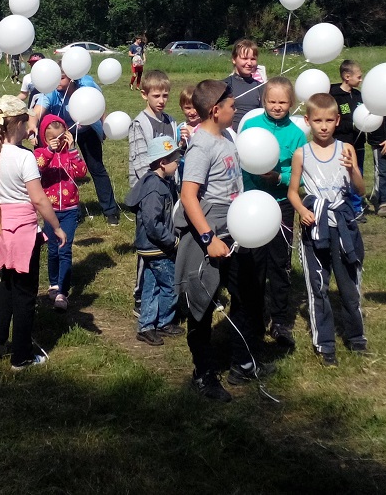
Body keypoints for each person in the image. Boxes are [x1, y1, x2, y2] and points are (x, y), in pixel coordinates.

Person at [175, 79, 267, 403]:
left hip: (236, 232)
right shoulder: (202, 146)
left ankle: (243, 361)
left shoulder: (227, 136)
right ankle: (204, 374)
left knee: (245, 294)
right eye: (231, 105)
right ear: (215, 111)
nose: (235, 108)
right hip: (212, 235)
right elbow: (188, 197)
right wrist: (209, 238)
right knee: (201, 305)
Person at [0, 96, 67, 370]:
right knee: (24, 292)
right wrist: (56, 227)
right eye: (27, 122)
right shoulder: (25, 157)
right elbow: (38, 200)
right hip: (21, 233)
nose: (30, 127)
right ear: (18, 124)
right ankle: (22, 356)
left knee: (8, 282)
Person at [287, 92, 367, 364]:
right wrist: (302, 211)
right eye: (318, 120)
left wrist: (353, 168)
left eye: (329, 120)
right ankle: (325, 344)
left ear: (337, 120)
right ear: (307, 121)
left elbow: (361, 189)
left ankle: (356, 336)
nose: (323, 126)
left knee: (348, 285)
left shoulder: (346, 149)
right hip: (315, 227)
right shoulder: (302, 154)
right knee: (318, 286)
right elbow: (293, 192)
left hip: (342, 226)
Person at [241, 76, 306, 347]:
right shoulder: (252, 126)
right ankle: (253, 319)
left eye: (282, 102)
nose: (277, 106)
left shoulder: (297, 133)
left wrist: (280, 176)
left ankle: (280, 321)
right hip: (253, 204)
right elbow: (241, 157)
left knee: (279, 263)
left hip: (282, 204)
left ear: (291, 103)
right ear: (262, 100)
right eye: (271, 101)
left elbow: (302, 172)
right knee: (254, 264)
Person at [31, 70, 119, 224]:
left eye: (62, 78)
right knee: (63, 169)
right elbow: (37, 112)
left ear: (72, 78)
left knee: (96, 168)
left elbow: (99, 104)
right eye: (55, 77)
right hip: (62, 132)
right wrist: (32, 126)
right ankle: (71, 211)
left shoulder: (86, 85)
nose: (57, 81)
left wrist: (104, 124)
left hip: (87, 128)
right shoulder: (51, 91)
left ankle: (110, 211)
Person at [126, 136, 183, 345]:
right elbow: (152, 222)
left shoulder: (157, 182)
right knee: (171, 284)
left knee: (151, 285)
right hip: (158, 247)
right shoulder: (156, 188)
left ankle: (147, 325)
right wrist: (172, 241)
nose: (178, 164)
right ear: (162, 162)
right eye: (175, 160)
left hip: (150, 247)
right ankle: (163, 322)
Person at [35, 115, 88, 311]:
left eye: (61, 138)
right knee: (52, 249)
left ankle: (62, 292)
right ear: (45, 139)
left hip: (70, 210)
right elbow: (38, 165)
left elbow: (82, 172)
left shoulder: (69, 155)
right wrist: (50, 150)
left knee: (65, 248)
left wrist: (72, 149)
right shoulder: (41, 153)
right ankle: (54, 283)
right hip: (50, 211)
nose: (58, 143)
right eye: (52, 139)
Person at [331, 60, 367, 215]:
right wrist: (352, 125)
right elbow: (333, 121)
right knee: (342, 173)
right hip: (342, 142)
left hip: (358, 143)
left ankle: (357, 206)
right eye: (359, 77)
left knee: (357, 171)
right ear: (347, 76)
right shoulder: (333, 95)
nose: (361, 80)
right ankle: (341, 204)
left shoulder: (359, 96)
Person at [224, 39, 267, 128]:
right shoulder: (224, 85)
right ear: (234, 59)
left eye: (253, 59)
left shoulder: (261, 87)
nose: (249, 63)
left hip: (252, 135)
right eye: (244, 58)